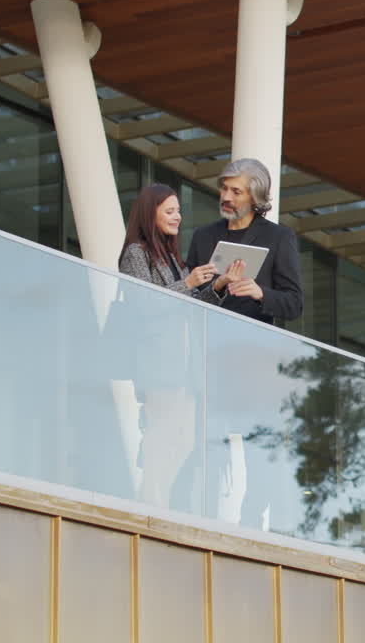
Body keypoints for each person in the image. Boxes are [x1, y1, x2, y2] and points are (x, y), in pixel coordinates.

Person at [115, 183, 243, 508]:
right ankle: (151, 508)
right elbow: (143, 304)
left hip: (184, 367)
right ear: (150, 213)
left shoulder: (171, 257)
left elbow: (190, 304)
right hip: (158, 366)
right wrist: (187, 282)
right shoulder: (135, 253)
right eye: (169, 211)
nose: (178, 217)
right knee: (163, 439)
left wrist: (218, 284)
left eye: (178, 211)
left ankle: (161, 504)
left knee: (183, 441)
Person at [187, 157, 303, 325]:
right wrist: (216, 287)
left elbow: (294, 304)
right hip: (206, 339)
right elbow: (189, 295)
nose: (226, 197)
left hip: (253, 343)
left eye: (236, 192)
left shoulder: (279, 237)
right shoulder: (202, 235)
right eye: (224, 188)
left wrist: (260, 293)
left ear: (255, 198)